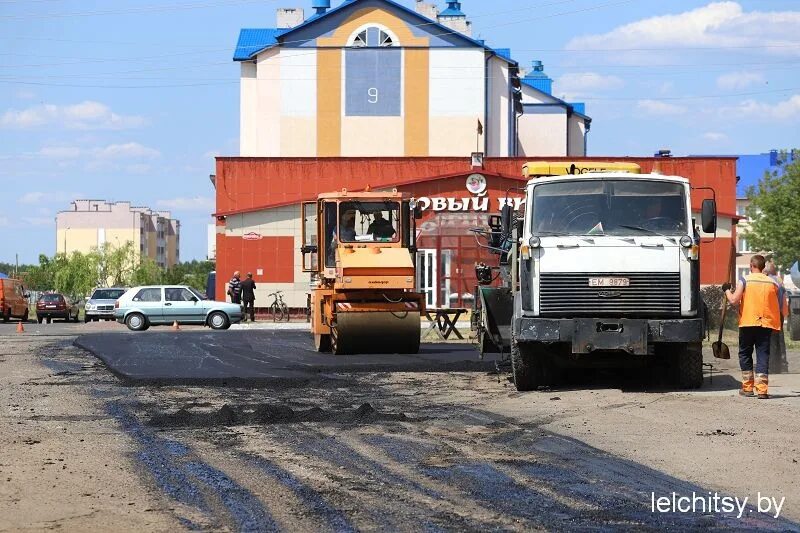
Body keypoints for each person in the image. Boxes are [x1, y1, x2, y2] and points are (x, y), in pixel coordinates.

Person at [723, 254, 782, 399]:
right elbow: (778, 303)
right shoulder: (773, 283)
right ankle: (762, 390)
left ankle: (748, 388)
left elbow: (734, 300)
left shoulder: (745, 280)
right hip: (765, 323)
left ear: (751, 265)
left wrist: (726, 290)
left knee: (745, 353)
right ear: (763, 267)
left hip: (748, 322)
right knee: (763, 354)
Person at [765, 256, 789, 373]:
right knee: (780, 340)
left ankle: (772, 366)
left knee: (770, 340)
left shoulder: (768, 280)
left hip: (770, 314)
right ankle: (783, 366)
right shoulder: (778, 280)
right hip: (778, 313)